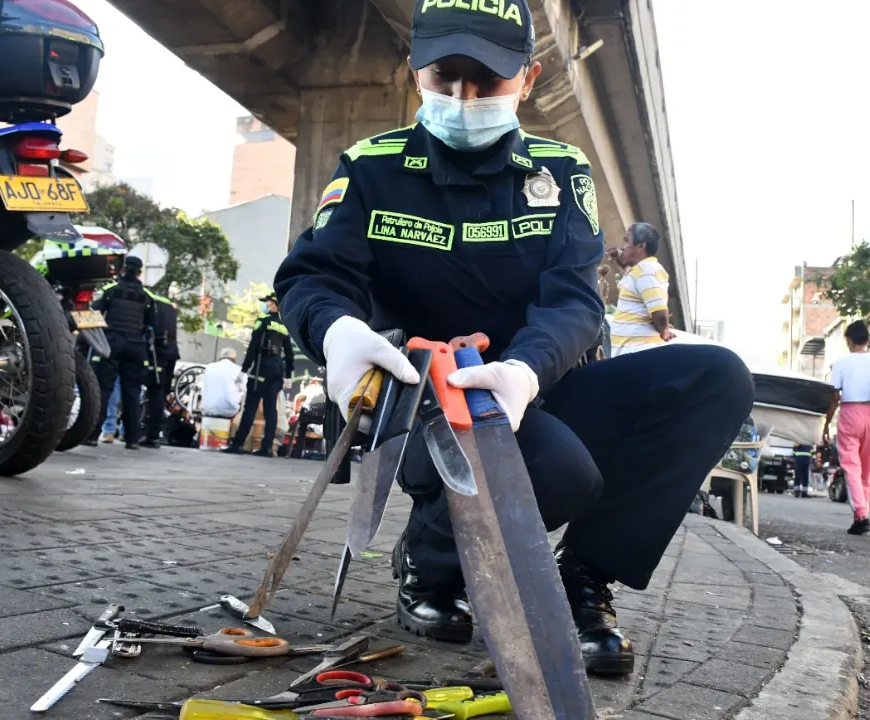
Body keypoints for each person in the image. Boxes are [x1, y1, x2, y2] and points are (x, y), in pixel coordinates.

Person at [271, 0, 754, 677]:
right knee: (556, 473)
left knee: (715, 378)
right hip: (426, 405)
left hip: (532, 386)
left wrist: (525, 370)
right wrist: (337, 331)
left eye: (488, 81)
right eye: (445, 78)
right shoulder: (370, 168)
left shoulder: (560, 173)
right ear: (415, 74)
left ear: (527, 80)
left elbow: (575, 301)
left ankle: (584, 577)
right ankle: (430, 564)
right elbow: (312, 276)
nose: (465, 99)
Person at [823, 320, 870, 535]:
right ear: (867, 340)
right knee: (866, 470)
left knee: (851, 466)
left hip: (850, 412)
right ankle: (862, 514)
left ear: (848, 341)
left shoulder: (841, 363)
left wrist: (826, 422)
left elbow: (834, 396)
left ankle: (860, 513)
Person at [85, 255, 156, 450]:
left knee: (104, 390)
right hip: (136, 347)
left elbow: (93, 314)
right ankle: (132, 439)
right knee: (132, 393)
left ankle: (92, 435)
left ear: (123, 269)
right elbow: (151, 325)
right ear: (140, 273)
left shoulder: (110, 291)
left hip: (111, 344)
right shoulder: (147, 297)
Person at [223, 294, 294, 457]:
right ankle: (267, 448)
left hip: (262, 368)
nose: (266, 305)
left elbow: (254, 346)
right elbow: (289, 354)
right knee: (271, 411)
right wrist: (288, 374)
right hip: (277, 369)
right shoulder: (284, 326)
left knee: (250, 408)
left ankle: (238, 444)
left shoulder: (263, 321)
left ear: (275, 304)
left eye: (268, 302)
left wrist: (244, 369)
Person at [607, 223, 674, 356]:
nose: (622, 247)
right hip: (631, 354)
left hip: (637, 353)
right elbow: (625, 262)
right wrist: (617, 255)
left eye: (626, 241)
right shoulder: (639, 270)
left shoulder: (647, 269)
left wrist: (664, 331)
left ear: (641, 246)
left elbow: (659, 312)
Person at [141, 292, 179, 447]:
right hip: (171, 350)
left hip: (157, 352)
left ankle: (151, 435)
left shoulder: (148, 301)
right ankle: (154, 433)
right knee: (162, 393)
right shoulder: (167, 304)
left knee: (155, 392)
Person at [201, 347, 247, 419]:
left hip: (207, 408)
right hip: (229, 411)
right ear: (234, 360)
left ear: (220, 358)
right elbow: (244, 389)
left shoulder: (209, 367)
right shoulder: (239, 370)